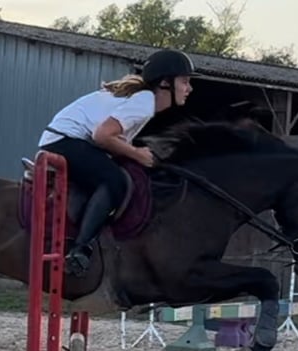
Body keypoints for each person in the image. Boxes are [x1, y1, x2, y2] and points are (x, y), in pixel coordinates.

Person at [37, 48, 198, 277]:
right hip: (65, 140)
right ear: (165, 83)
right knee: (116, 181)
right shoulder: (144, 102)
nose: (189, 88)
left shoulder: (143, 100)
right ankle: (79, 249)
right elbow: (102, 136)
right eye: (185, 81)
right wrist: (136, 154)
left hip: (65, 139)